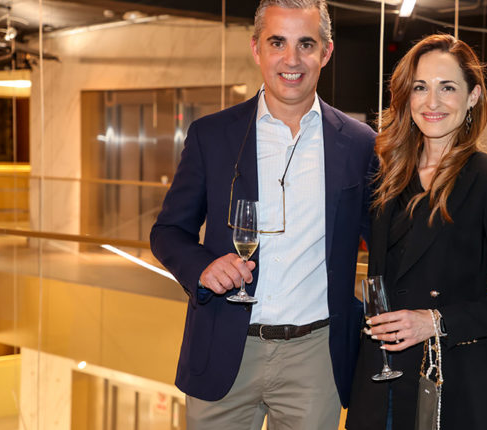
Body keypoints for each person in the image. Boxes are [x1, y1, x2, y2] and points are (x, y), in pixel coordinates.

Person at [150, 1, 376, 428]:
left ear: (326, 52)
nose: (291, 60)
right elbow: (168, 231)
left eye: (306, 44)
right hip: (222, 349)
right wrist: (203, 268)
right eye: (277, 43)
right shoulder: (212, 135)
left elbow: (388, 238)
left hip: (315, 357)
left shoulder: (359, 143)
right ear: (256, 49)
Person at [346, 34, 487, 430]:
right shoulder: (387, 174)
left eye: (447, 87)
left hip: (450, 379)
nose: (431, 102)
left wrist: (435, 321)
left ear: (473, 96)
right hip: (380, 379)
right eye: (420, 87)